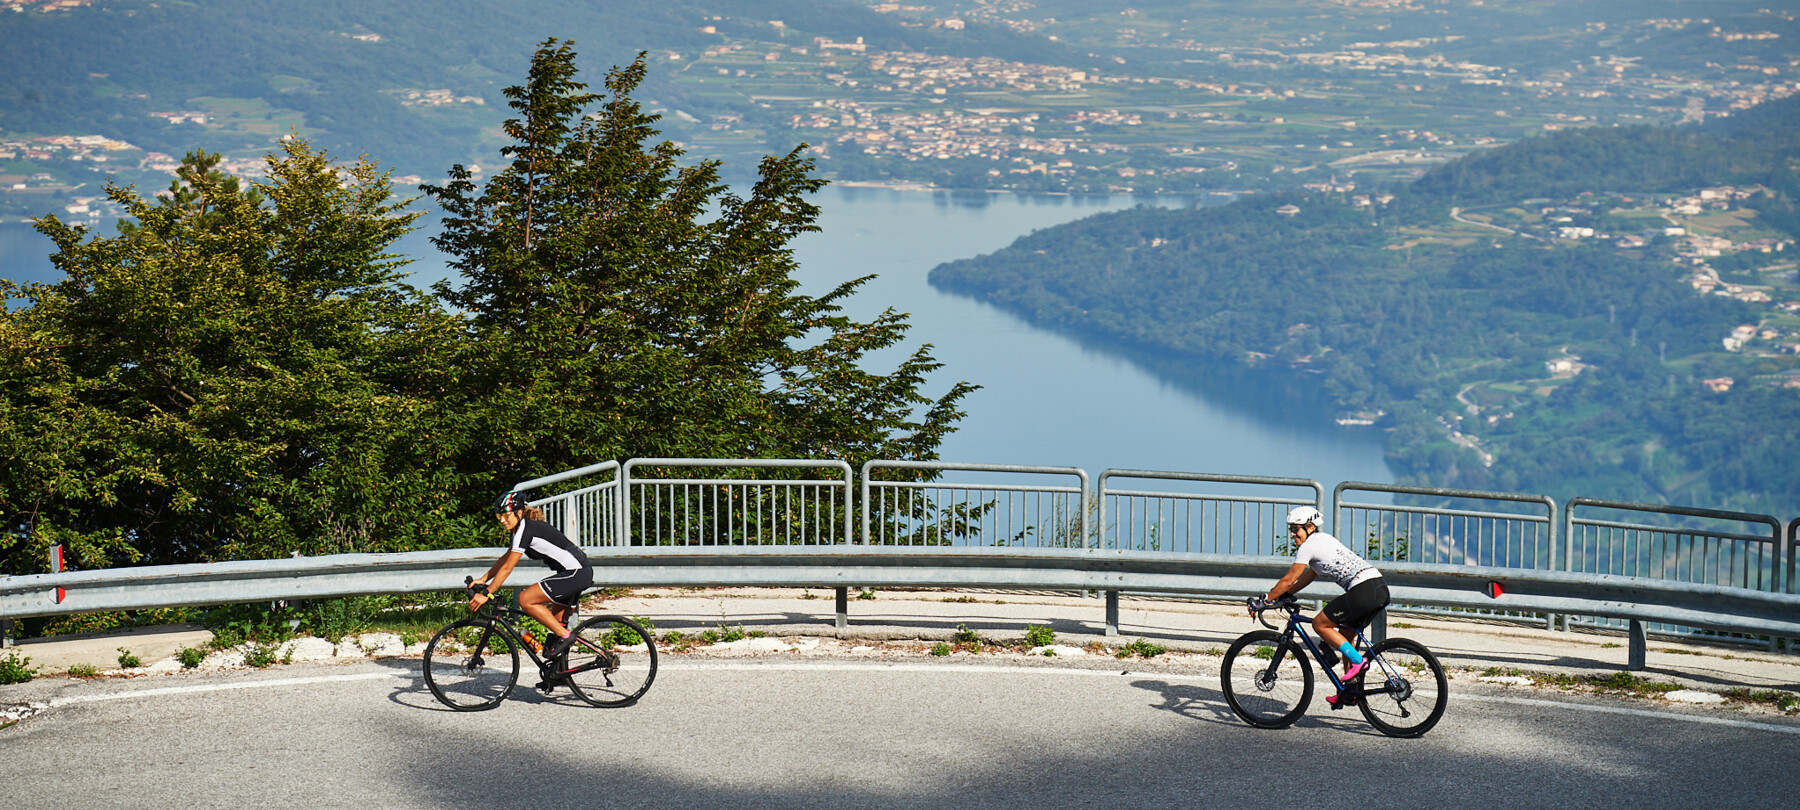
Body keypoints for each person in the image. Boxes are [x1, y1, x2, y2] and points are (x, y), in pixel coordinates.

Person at [1248, 505, 1390, 708]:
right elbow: (1309, 575)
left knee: (1320, 624)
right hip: (1378, 587)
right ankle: (1349, 691)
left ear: (1309, 526)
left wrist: (1265, 600)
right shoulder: (1324, 540)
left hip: (1363, 590)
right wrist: (1288, 595)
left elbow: (1290, 578)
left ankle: (1359, 663)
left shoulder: (1309, 546)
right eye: (1291, 529)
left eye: (1296, 529)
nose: (1292, 534)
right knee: (1345, 636)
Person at [469, 491, 593, 679]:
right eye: (499, 516)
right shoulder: (521, 530)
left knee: (525, 599)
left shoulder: (525, 529)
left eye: (506, 515)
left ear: (519, 512)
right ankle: (558, 676)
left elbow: (508, 569)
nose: (502, 520)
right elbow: (505, 558)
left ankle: (566, 636)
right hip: (570, 573)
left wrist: (487, 592)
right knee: (556, 628)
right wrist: (484, 579)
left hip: (576, 573)